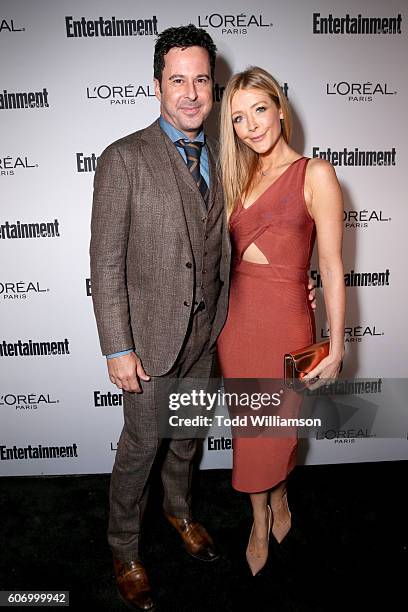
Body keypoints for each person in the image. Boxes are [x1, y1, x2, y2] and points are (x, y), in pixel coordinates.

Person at [90, 25, 230, 611]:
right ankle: (124, 548)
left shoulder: (226, 156)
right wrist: (117, 348)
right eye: (178, 80)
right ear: (157, 86)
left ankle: (178, 512)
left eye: (201, 79)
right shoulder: (123, 158)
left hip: (206, 337)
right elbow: (106, 261)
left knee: (186, 442)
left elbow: (229, 243)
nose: (191, 92)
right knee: (141, 447)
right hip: (146, 344)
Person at [216, 67, 345, 576]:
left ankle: (281, 496)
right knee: (250, 432)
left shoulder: (317, 174)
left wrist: (336, 344)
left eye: (259, 110)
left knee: (280, 431)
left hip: (289, 324)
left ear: (280, 108)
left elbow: (332, 264)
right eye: (239, 118)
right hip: (237, 326)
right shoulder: (234, 175)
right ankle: (257, 517)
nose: (251, 126)